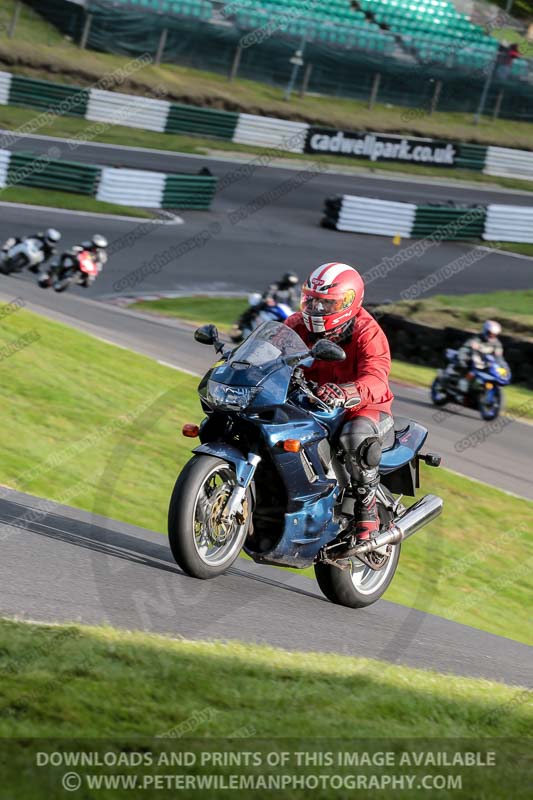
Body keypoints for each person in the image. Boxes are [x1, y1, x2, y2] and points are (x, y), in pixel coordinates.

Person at [285, 262, 394, 541]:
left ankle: (366, 510)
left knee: (354, 437)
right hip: (311, 400)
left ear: (348, 302)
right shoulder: (296, 324)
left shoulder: (368, 333)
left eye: (326, 305)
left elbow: (377, 378)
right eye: (312, 301)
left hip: (361, 407)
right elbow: (271, 351)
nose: (317, 310)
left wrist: (347, 391)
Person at [235, 272, 300, 338]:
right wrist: (268, 299)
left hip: (280, 309)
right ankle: (243, 321)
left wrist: (293, 309)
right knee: (258, 306)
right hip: (269, 305)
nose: (289, 285)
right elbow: (269, 293)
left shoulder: (291, 291)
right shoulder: (276, 285)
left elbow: (293, 302)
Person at [453, 320, 504, 391]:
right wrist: (462, 359)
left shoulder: (497, 344)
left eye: (494, 334)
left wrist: (503, 367)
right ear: (485, 331)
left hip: (485, 363)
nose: (492, 336)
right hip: (472, 359)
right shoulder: (476, 338)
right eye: (490, 333)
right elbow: (465, 348)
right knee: (464, 364)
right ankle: (463, 381)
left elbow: (499, 357)